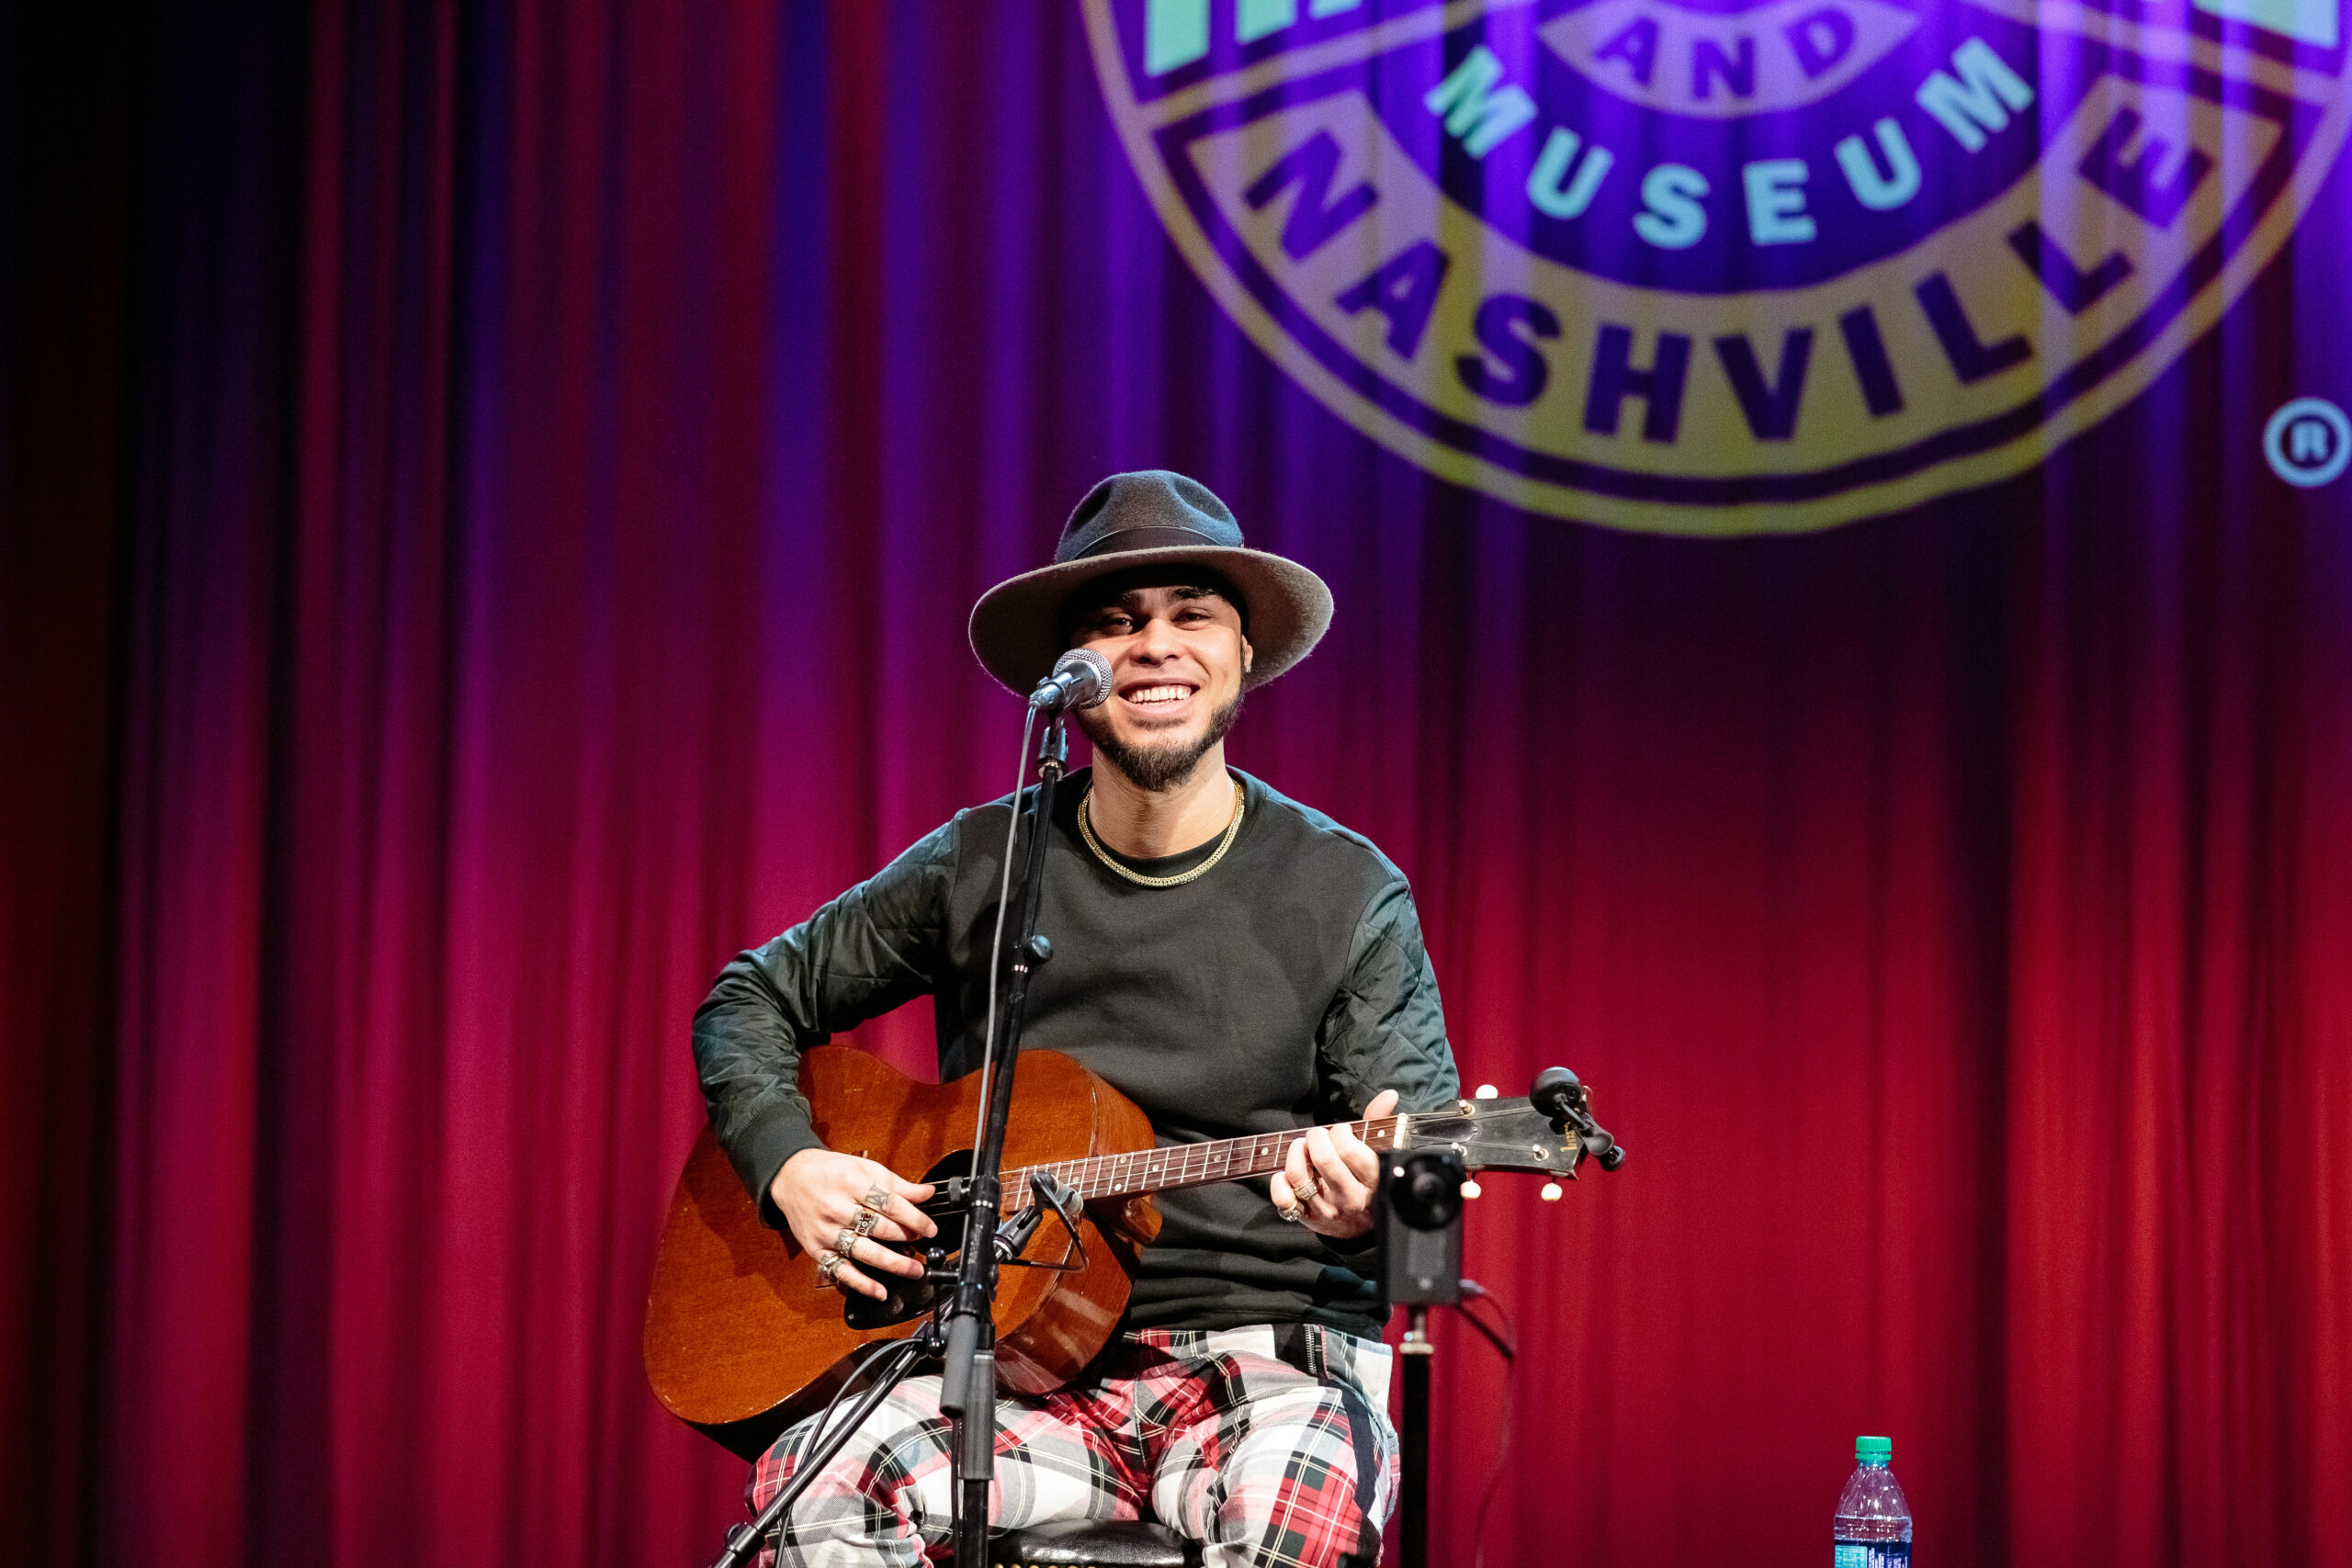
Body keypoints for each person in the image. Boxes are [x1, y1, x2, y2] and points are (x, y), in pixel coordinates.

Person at [693, 470, 1460, 1568]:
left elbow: (1424, 1200)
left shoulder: (1347, 895)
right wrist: (789, 1166)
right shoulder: (982, 862)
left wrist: (1364, 1215)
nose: (1154, 645)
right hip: (1003, 1369)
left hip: (1267, 1367)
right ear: (1071, 678)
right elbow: (749, 997)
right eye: (1115, 622)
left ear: (1245, 658)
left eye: (1192, 616)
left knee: (1295, 1518)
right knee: (816, 1499)